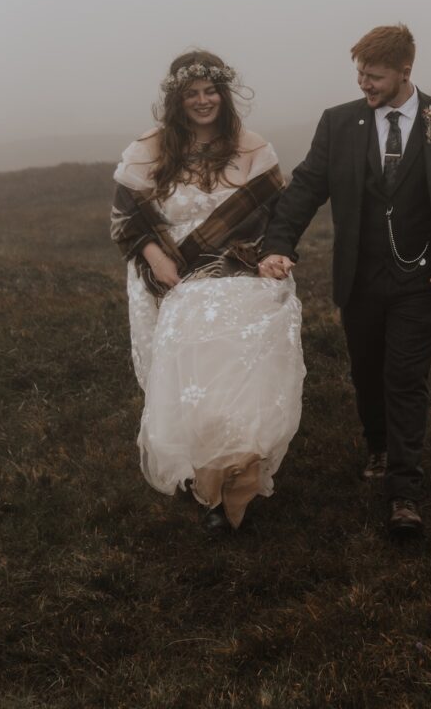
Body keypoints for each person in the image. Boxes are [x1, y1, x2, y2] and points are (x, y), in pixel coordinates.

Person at [259, 24, 431, 536]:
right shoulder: (339, 124)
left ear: (406, 72)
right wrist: (278, 243)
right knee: (367, 372)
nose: (364, 84)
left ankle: (404, 491)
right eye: (359, 73)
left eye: (374, 76)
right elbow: (307, 186)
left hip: (422, 282)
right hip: (359, 279)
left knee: (405, 377)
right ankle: (378, 445)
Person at [111, 50, 305, 534]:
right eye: (192, 93)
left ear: (225, 93)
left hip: (239, 269)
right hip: (177, 277)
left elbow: (280, 220)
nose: (203, 101)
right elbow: (126, 220)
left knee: (248, 346)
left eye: (210, 91)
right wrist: (158, 260)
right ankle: (207, 480)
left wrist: (271, 258)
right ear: (176, 100)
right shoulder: (149, 150)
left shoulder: (253, 149)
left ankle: (239, 461)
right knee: (197, 348)